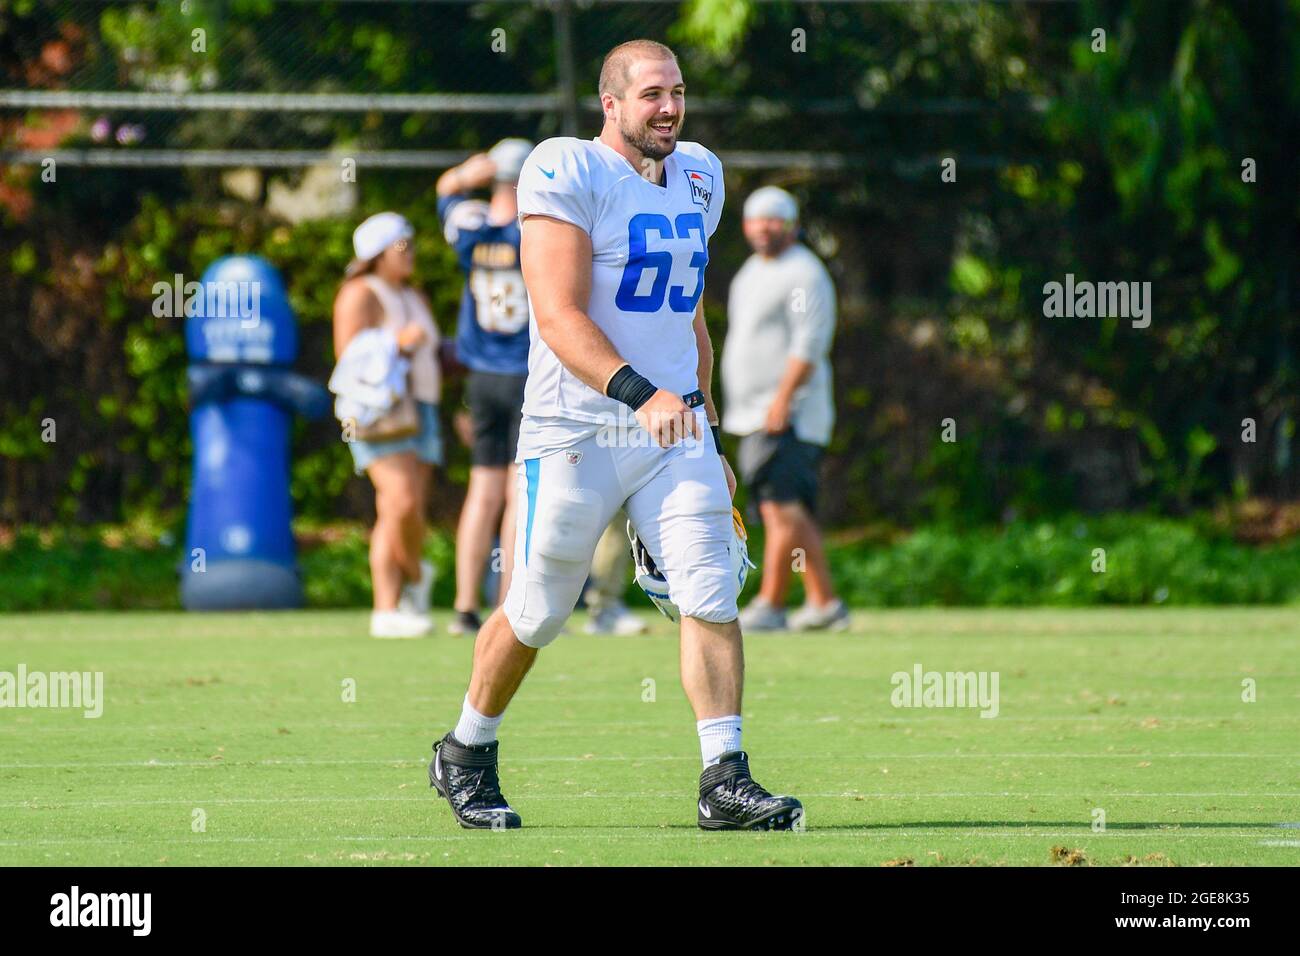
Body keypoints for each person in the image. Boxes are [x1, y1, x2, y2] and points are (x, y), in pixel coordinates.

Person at [426, 39, 803, 832]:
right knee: (537, 609)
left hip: (673, 426)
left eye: (677, 92)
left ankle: (723, 778)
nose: (669, 108)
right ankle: (466, 748)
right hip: (577, 425)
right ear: (611, 104)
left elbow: (689, 316)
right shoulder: (566, 169)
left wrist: (702, 417)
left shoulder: (701, 176)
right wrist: (644, 394)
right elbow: (558, 313)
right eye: (651, 95)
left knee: (710, 585)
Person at [722, 186, 847, 631]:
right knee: (786, 507)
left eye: (774, 219)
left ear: (792, 224)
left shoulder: (804, 273)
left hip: (787, 414)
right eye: (756, 219)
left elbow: (809, 344)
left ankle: (771, 603)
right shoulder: (752, 271)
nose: (764, 227)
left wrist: (781, 401)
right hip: (753, 412)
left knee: (781, 507)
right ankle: (824, 603)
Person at [436, 139, 533, 636]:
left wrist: (466, 172)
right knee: (519, 494)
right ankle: (506, 605)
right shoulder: (536, 232)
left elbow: (445, 191)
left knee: (481, 491)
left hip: (481, 376)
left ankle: (463, 606)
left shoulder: (471, 229)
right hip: (525, 374)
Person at [332, 212, 442, 639]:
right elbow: (348, 359)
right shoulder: (359, 293)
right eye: (403, 246)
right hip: (380, 415)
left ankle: (390, 606)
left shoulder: (414, 295)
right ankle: (413, 581)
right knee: (399, 503)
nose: (411, 253)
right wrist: (394, 343)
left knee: (401, 512)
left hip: (422, 409)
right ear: (378, 253)